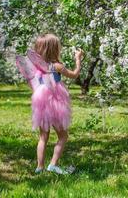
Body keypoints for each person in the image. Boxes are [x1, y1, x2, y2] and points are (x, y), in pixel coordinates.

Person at [31, 33, 83, 174]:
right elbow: (74, 74)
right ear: (54, 49)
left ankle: (39, 167)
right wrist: (78, 60)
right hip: (56, 104)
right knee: (63, 136)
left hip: (41, 104)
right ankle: (53, 164)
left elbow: (33, 84)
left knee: (43, 137)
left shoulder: (36, 68)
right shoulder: (57, 66)